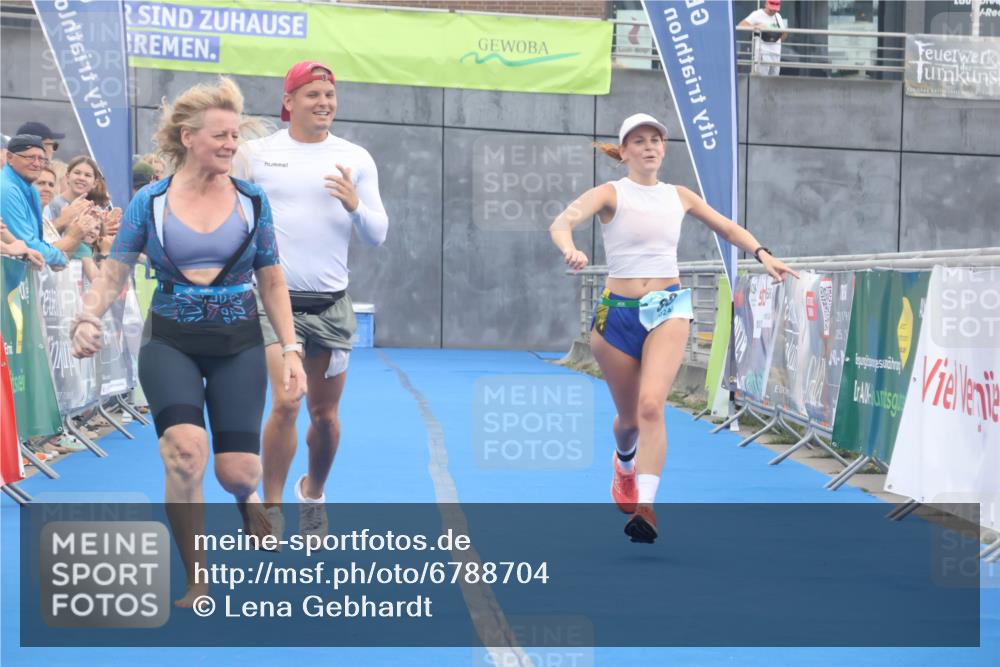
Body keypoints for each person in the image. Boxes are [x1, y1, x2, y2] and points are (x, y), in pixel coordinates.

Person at [70, 77, 306, 606]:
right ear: (188, 136)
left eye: (234, 137)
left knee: (236, 471)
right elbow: (113, 272)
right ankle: (197, 576)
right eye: (220, 135)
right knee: (184, 452)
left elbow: (271, 279)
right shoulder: (149, 203)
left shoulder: (251, 201)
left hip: (239, 340)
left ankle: (248, 499)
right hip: (171, 338)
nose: (230, 145)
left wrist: (290, 349)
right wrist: (87, 316)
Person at [549, 113, 797, 543]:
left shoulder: (679, 195)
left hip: (667, 306)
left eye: (656, 140)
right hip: (616, 313)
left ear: (663, 149)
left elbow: (726, 227)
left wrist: (762, 253)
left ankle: (646, 506)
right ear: (623, 151)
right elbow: (561, 222)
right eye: (639, 141)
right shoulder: (609, 193)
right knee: (628, 419)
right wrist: (570, 249)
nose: (649, 147)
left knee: (651, 406)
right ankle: (623, 463)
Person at [233, 60, 388, 540]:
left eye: (329, 95)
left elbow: (378, 234)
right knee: (286, 401)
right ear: (289, 101)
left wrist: (354, 204)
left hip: (331, 305)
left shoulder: (355, 158)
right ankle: (272, 509)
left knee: (325, 417)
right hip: (273, 302)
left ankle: (313, 491)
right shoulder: (255, 153)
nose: (323, 103)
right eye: (312, 95)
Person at [0, 134, 89, 286]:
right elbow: (26, 242)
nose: (37, 164)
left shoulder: (31, 189)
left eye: (41, 159)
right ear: (10, 157)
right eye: (30, 158)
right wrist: (59, 255)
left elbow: (35, 241)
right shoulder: (7, 189)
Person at [740, 0, 789, 77]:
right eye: (771, 9)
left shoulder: (778, 16)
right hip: (762, 54)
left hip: (776, 54)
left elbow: (783, 33)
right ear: (766, 4)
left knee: (774, 80)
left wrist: (782, 35)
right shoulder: (757, 14)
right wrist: (756, 27)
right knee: (761, 79)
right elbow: (741, 26)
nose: (773, 11)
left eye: (775, 9)